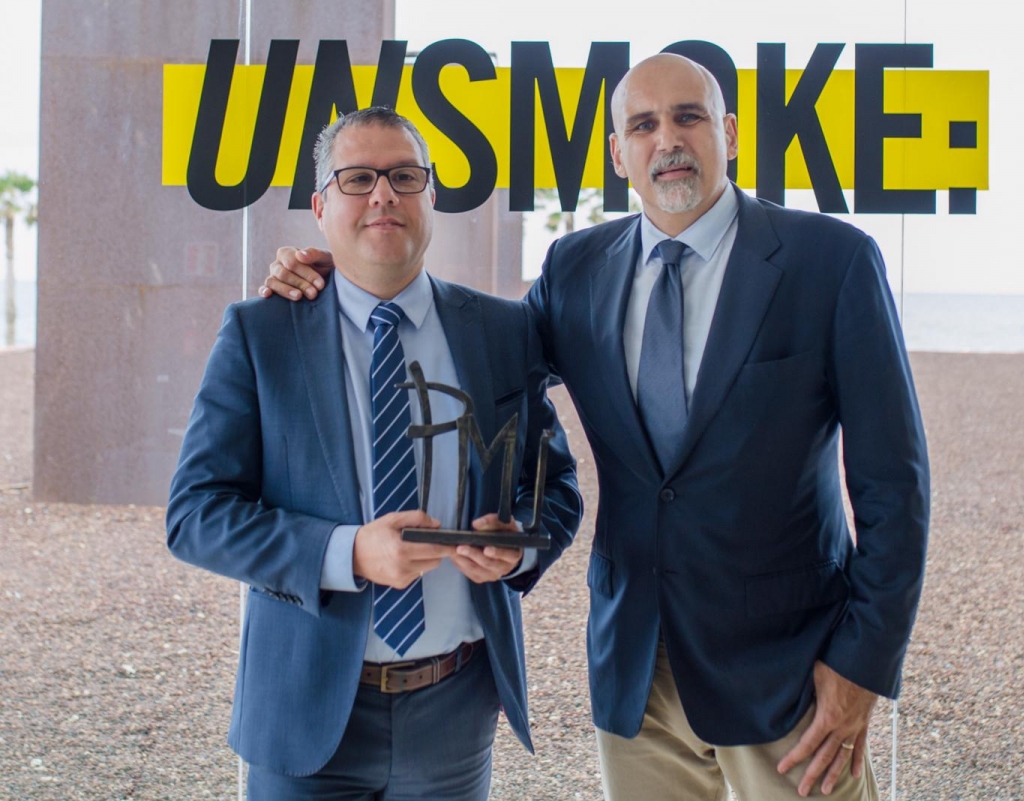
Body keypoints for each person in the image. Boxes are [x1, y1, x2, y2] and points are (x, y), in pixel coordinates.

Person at [264, 54, 929, 800]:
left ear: (731, 134)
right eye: (642, 125)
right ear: (618, 153)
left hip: (791, 672)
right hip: (635, 673)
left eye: (688, 117)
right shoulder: (577, 268)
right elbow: (482, 352)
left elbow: (894, 485)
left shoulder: (830, 262)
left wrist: (863, 667)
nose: (666, 140)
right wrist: (346, 274)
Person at [167, 107, 582, 799]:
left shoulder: (503, 331)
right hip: (304, 708)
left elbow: (556, 483)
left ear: (431, 195)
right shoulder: (259, 334)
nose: (383, 193)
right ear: (320, 207)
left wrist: (521, 547)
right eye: (358, 178)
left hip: (457, 708)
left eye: (403, 176)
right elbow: (195, 517)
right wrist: (349, 552)